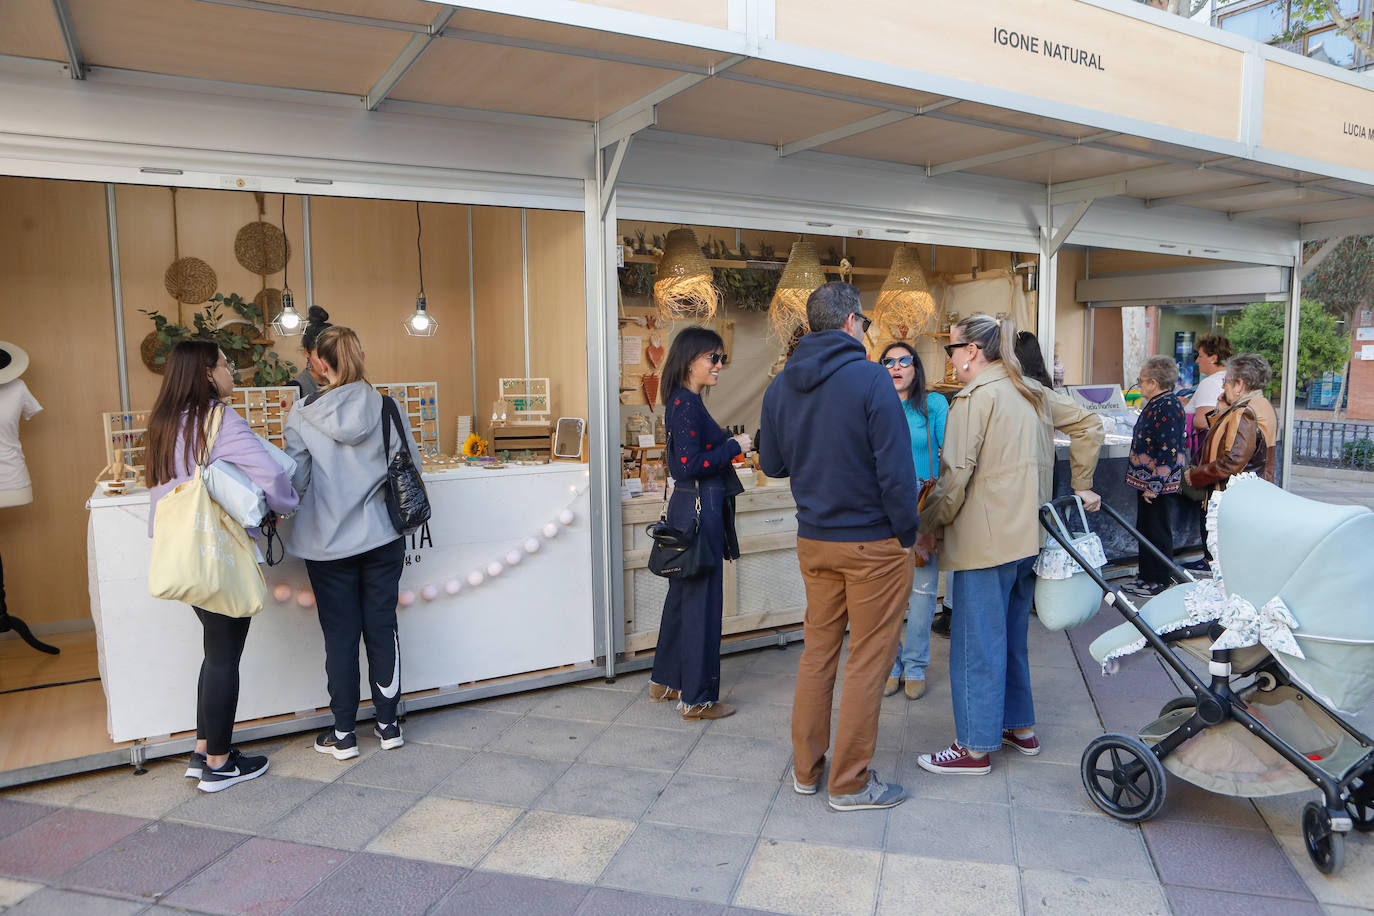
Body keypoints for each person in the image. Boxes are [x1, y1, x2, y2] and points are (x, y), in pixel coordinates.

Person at [915, 314, 1102, 776]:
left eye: (952, 350)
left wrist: (927, 524)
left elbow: (955, 476)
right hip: (1030, 538)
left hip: (984, 542)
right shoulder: (1031, 391)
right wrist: (1082, 484)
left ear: (973, 351)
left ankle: (973, 747)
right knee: (1010, 637)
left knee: (976, 643)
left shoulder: (975, 398)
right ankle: (1018, 726)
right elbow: (1090, 424)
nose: (951, 359)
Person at [759, 281, 919, 812]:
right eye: (867, 325)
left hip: (815, 540)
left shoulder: (782, 385)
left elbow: (773, 464)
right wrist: (908, 534)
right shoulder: (871, 379)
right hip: (873, 541)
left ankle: (808, 770)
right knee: (868, 662)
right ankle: (850, 783)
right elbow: (897, 472)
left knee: (818, 654)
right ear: (853, 322)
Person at [145, 341, 298, 792]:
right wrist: (286, 503)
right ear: (208, 373)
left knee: (215, 651)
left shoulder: (163, 421)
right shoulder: (217, 418)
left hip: (181, 550)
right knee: (225, 654)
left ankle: (201, 749)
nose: (231, 371)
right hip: (217, 550)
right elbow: (270, 474)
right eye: (226, 364)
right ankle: (220, 762)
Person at [283, 326, 421, 760]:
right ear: (358, 354)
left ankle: (343, 733)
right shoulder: (386, 407)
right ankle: (388, 724)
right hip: (382, 537)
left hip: (327, 544)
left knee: (340, 635)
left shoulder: (301, 415)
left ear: (319, 363)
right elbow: (410, 465)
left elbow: (297, 481)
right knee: (382, 626)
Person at [649, 327, 751, 721]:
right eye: (714, 358)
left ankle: (667, 680)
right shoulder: (688, 404)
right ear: (691, 359)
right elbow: (688, 465)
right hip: (700, 513)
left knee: (682, 600)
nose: (719, 365)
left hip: (686, 509)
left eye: (721, 358)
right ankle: (697, 698)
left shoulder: (679, 401)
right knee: (703, 605)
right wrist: (733, 446)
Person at [878, 342, 947, 701]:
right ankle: (892, 664)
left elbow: (949, 459)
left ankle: (917, 665)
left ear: (916, 367)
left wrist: (933, 521)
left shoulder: (932, 405)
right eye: (888, 361)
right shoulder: (873, 406)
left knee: (921, 596)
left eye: (905, 360)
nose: (897, 366)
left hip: (921, 511)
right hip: (882, 515)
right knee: (887, 599)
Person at [1124, 356, 1186, 597]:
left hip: (1156, 485)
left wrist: (1156, 484)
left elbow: (1169, 449)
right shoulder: (1158, 402)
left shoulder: (1168, 406)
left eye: (1140, 381)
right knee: (1146, 529)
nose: (1138, 385)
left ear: (1153, 382)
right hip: (1149, 482)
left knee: (1157, 531)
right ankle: (1146, 576)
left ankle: (1159, 580)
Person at [1183, 353, 1277, 501]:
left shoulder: (1244, 412)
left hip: (1233, 500)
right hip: (1253, 495)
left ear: (1239, 384)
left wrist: (1195, 476)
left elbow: (1232, 462)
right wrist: (1221, 412)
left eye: (1225, 381)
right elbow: (1224, 441)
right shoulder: (1261, 404)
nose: (1222, 386)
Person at [1181, 334, 1232, 570]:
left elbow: (1202, 421)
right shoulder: (1227, 379)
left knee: (1208, 503)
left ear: (1213, 357)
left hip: (1208, 451)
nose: (1197, 361)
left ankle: (1209, 558)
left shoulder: (1211, 382)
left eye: (1200, 356)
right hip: (1222, 451)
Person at [288, 306, 332, 400]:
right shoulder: (295, 388)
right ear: (307, 352)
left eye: (332, 355)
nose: (327, 362)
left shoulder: (345, 385)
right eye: (320, 356)